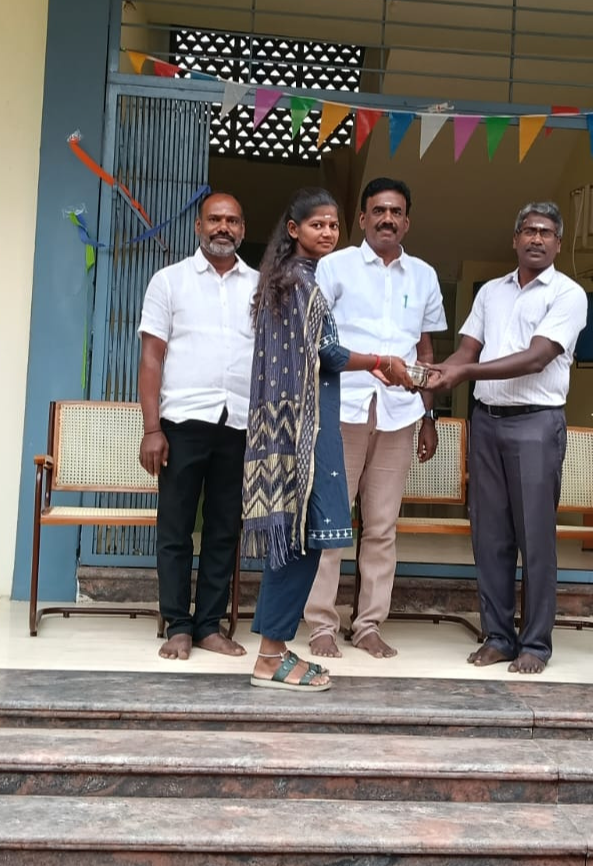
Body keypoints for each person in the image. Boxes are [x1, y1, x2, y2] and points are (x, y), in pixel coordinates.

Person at [241, 187, 415, 691]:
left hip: (292, 427)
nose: (328, 232)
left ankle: (273, 651)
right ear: (294, 229)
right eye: (317, 224)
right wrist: (380, 362)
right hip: (304, 433)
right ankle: (270, 656)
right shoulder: (300, 283)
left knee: (298, 540)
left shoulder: (289, 279)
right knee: (304, 540)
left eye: (333, 225)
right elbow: (328, 353)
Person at [424, 202, 589, 675]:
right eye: (529, 231)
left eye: (546, 232)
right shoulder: (490, 293)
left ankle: (535, 644)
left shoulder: (568, 294)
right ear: (515, 239)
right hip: (487, 422)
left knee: (535, 539)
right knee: (490, 536)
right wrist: (438, 372)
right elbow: (467, 349)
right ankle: (498, 636)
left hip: (536, 424)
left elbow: (536, 358)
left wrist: (462, 374)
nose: (537, 238)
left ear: (558, 243)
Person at [304, 178, 447, 660]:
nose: (388, 219)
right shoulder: (334, 266)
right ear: (363, 218)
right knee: (330, 521)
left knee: (383, 526)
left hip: (399, 414)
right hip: (341, 408)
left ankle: (367, 625)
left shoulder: (424, 275)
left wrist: (429, 414)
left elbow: (426, 351)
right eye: (379, 211)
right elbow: (314, 338)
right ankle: (321, 624)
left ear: (407, 221)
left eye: (396, 212)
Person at [137, 193, 256, 661]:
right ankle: (178, 625)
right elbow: (152, 358)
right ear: (198, 227)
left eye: (232, 220)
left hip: (239, 422)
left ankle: (209, 625)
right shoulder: (169, 281)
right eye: (215, 219)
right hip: (182, 423)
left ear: (243, 229)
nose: (223, 227)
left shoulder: (260, 286)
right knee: (176, 527)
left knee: (225, 528)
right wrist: (152, 429)